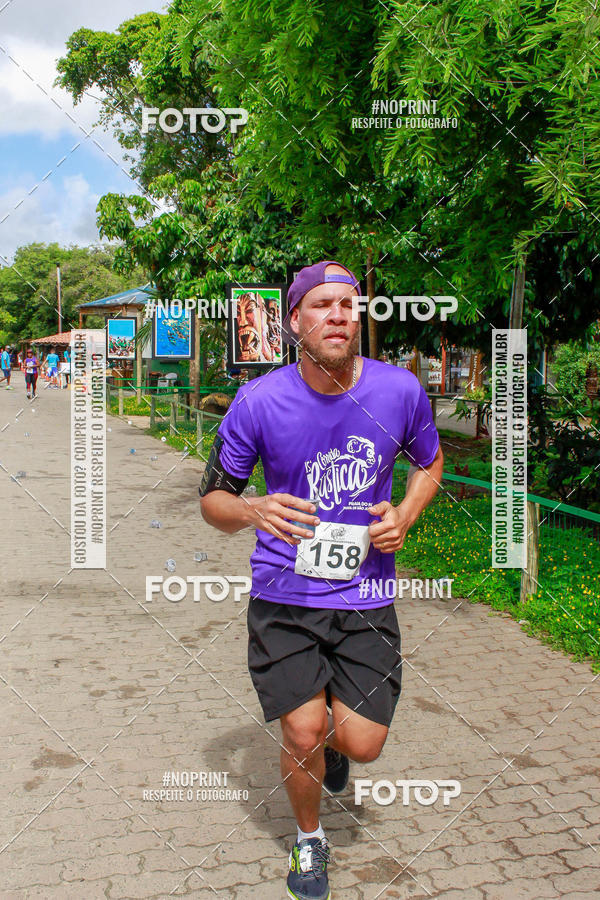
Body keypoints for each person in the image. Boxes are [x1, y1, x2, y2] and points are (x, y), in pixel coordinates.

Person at [199, 260, 444, 900]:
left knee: (361, 743)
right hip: (284, 595)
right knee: (301, 730)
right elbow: (212, 501)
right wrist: (252, 508)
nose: (338, 314)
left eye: (349, 304)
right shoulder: (259, 401)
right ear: (293, 323)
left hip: (366, 597)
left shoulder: (399, 391)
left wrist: (406, 514)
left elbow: (430, 460)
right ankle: (310, 840)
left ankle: (334, 747)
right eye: (322, 305)